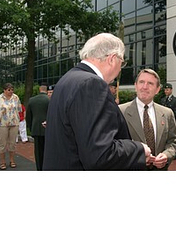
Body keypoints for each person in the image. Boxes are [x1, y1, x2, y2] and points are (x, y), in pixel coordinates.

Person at [43, 33, 150, 171]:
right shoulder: (92, 84)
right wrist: (138, 149)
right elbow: (100, 155)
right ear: (112, 59)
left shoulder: (67, 79)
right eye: (121, 63)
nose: (120, 69)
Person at [119, 69, 176, 170]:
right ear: (135, 85)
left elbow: (173, 142)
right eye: (141, 82)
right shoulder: (120, 111)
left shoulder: (167, 113)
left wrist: (166, 156)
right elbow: (116, 144)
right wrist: (138, 157)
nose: (145, 87)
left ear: (157, 89)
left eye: (150, 83)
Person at [0, 83, 22, 170]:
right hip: (2, 124)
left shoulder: (16, 97)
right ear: (4, 90)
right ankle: (2, 162)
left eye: (12, 89)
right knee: (2, 144)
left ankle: (12, 160)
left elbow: (19, 109)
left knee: (12, 143)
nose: (11, 91)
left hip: (14, 123)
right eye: (9, 90)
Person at [26, 83, 49, 171]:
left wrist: (31, 127)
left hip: (36, 128)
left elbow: (28, 116)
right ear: (46, 91)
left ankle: (39, 168)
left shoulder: (32, 100)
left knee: (38, 152)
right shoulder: (49, 100)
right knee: (47, 150)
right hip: (47, 129)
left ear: (39, 90)